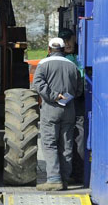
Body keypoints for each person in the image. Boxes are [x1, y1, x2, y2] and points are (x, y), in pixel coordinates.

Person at [33, 37, 83, 191]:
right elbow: (79, 90)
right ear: (62, 49)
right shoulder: (73, 66)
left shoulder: (43, 64)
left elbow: (37, 84)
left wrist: (54, 95)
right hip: (69, 110)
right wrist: (66, 96)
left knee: (49, 143)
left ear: (49, 49)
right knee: (66, 145)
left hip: (51, 109)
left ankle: (54, 179)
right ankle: (64, 180)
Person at [58, 28, 85, 182]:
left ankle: (78, 174)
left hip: (78, 101)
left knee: (80, 138)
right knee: (63, 138)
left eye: (69, 39)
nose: (67, 43)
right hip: (63, 103)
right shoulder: (56, 59)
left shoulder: (82, 55)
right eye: (63, 40)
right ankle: (62, 175)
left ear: (75, 38)